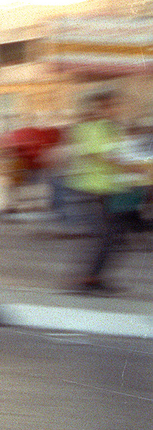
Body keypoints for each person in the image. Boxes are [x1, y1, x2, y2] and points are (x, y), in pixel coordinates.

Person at [63, 91, 151, 294]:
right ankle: (87, 279)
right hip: (90, 189)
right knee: (107, 236)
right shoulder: (93, 128)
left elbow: (121, 153)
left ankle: (94, 278)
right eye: (111, 105)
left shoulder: (111, 128)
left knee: (115, 236)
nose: (116, 109)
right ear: (100, 107)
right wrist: (132, 168)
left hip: (108, 189)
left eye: (116, 105)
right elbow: (99, 156)